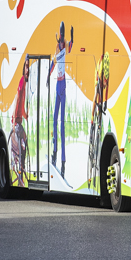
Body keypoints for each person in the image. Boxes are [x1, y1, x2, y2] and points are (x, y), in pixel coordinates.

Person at [49, 23, 73, 174]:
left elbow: (71, 46)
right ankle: (55, 152)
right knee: (55, 120)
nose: (61, 38)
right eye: (61, 34)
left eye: (63, 35)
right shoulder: (58, 48)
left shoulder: (64, 47)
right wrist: (47, 75)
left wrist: (73, 37)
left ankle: (62, 159)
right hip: (58, 84)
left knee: (62, 124)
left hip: (62, 84)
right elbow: (53, 63)